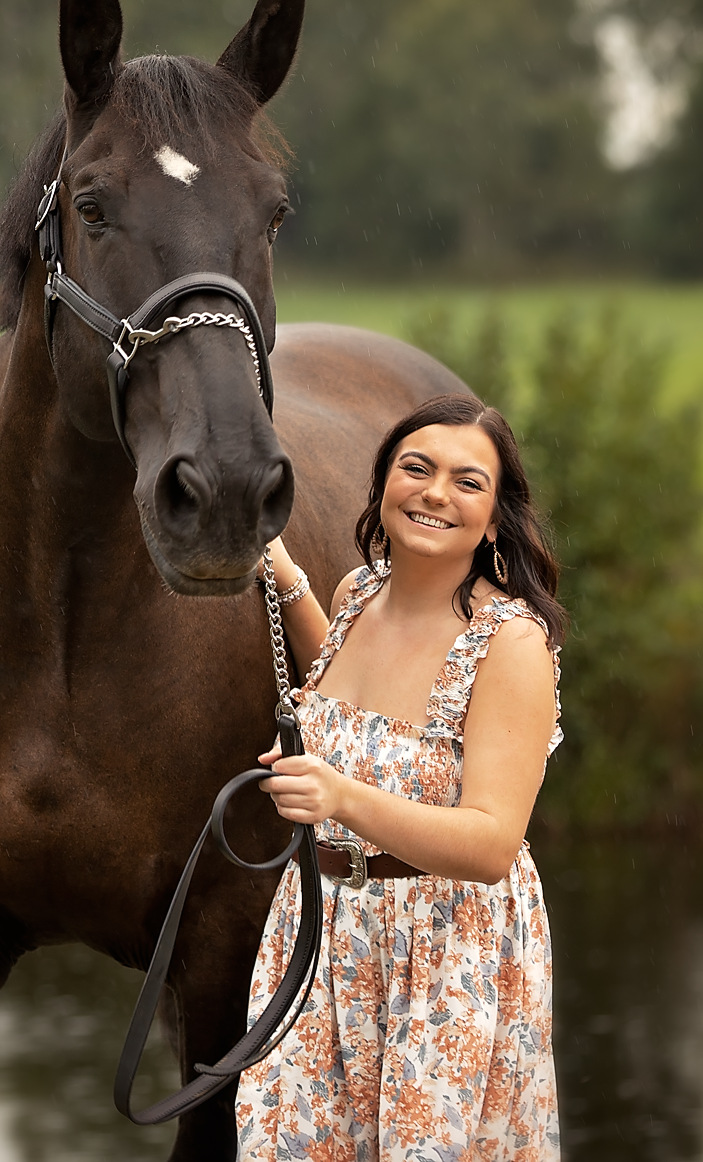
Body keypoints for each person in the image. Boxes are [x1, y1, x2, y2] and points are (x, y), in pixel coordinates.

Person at [237, 392, 566, 1159]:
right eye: (415, 468)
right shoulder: (358, 596)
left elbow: (490, 843)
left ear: (496, 516)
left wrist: (340, 795)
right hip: (319, 936)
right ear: (384, 482)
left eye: (466, 481)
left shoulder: (511, 644)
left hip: (447, 954)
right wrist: (283, 571)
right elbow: (358, 701)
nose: (435, 492)